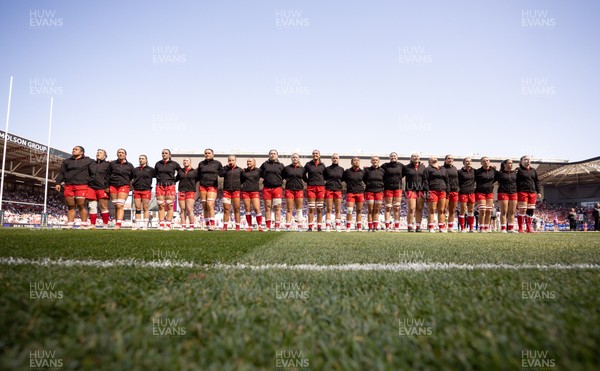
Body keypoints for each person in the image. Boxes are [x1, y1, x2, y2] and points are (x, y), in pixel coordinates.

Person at [54, 145, 93, 229]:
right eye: (73, 149)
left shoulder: (88, 160)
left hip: (82, 185)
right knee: (71, 206)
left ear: (81, 152)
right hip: (68, 185)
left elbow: (94, 170)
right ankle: (70, 224)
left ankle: (83, 224)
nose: (73, 150)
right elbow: (61, 172)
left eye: (76, 149)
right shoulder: (66, 161)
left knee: (81, 205)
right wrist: (58, 183)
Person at [107, 148, 134, 230]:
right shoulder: (112, 164)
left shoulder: (130, 166)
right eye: (119, 152)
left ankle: (118, 224)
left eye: (122, 152)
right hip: (113, 185)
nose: (120, 154)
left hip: (124, 186)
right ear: (117, 154)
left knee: (120, 205)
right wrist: (106, 186)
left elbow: (133, 177)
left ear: (125, 155)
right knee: (116, 206)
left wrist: (131, 186)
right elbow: (107, 175)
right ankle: (116, 222)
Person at [154, 149, 181, 230]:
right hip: (160, 186)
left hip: (170, 186)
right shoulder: (158, 164)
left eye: (166, 153)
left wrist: (174, 180)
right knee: (161, 205)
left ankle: (168, 224)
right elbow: (155, 174)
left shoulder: (174, 164)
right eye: (163, 153)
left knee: (170, 205)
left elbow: (180, 173)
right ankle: (161, 224)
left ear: (169, 155)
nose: (164, 154)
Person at [197, 149, 223, 231]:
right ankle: (207, 224)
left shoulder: (217, 163)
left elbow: (222, 173)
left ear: (213, 154)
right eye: (205, 153)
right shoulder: (201, 164)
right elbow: (197, 175)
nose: (207, 154)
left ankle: (213, 224)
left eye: (209, 153)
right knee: (204, 207)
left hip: (212, 186)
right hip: (202, 186)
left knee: (210, 204)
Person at [260, 149, 285, 231]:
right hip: (267, 188)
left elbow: (284, 175)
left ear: (277, 155)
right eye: (271, 153)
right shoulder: (264, 164)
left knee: (277, 207)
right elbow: (260, 173)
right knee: (267, 208)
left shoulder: (281, 165)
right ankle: (268, 226)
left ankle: (277, 226)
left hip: (277, 188)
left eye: (274, 153)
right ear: (269, 155)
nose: (273, 155)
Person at [515, 155, 542, 233]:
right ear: (521, 161)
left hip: (532, 193)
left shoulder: (533, 170)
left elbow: (537, 181)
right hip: (522, 192)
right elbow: (514, 181)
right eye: (525, 159)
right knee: (522, 210)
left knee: (530, 211)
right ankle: (520, 228)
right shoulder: (518, 170)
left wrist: (539, 191)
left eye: (529, 159)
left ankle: (529, 228)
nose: (528, 161)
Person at [87, 149, 110, 229]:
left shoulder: (107, 165)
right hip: (91, 187)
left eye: (100, 152)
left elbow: (109, 177)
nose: (98, 153)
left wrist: (107, 186)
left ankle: (105, 224)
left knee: (103, 206)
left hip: (102, 187)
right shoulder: (91, 164)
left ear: (105, 156)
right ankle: (92, 224)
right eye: (97, 152)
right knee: (92, 206)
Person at [424, 157, 448, 233]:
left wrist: (447, 191)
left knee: (442, 210)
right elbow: (425, 181)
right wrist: (427, 191)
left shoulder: (443, 169)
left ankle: (441, 227)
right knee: (432, 209)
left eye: (435, 157)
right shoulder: (428, 169)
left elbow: (447, 181)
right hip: (432, 191)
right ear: (429, 161)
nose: (434, 158)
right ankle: (431, 227)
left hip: (443, 191)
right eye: (432, 158)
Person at [403, 153, 426, 232]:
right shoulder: (406, 167)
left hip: (421, 190)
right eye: (414, 156)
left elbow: (425, 179)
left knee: (419, 208)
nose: (416, 157)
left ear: (419, 158)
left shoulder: (423, 167)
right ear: (411, 158)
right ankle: (409, 226)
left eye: (417, 156)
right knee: (412, 208)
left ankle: (418, 226)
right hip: (410, 190)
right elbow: (399, 176)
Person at [304, 149, 326, 231]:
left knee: (319, 208)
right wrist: (308, 181)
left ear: (319, 155)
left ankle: (319, 227)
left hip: (320, 188)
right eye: (313, 153)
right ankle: (310, 227)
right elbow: (303, 174)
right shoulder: (308, 164)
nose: (315, 154)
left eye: (316, 153)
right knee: (311, 208)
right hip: (311, 188)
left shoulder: (323, 165)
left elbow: (326, 176)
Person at [219, 155, 243, 231]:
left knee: (236, 209)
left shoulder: (239, 170)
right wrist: (226, 168)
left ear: (235, 161)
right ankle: (225, 226)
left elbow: (243, 179)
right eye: (229, 160)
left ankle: (237, 226)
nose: (231, 162)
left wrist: (237, 185)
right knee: (226, 209)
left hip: (236, 191)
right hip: (226, 191)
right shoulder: (225, 169)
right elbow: (220, 174)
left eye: (232, 160)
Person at [132, 154, 156, 230]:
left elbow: (158, 176)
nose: (141, 160)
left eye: (142, 158)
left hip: (146, 190)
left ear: (146, 160)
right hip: (137, 190)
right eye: (140, 158)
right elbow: (130, 178)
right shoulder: (135, 170)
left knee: (146, 208)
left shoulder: (151, 169)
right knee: (137, 207)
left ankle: (145, 225)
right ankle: (137, 225)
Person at [381, 152, 404, 232]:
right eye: (391, 156)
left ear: (397, 157)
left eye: (394, 156)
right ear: (389, 157)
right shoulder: (385, 166)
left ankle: (396, 227)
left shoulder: (401, 166)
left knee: (397, 208)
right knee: (388, 207)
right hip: (388, 188)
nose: (393, 157)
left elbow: (404, 174)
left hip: (398, 188)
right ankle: (387, 227)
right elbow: (379, 172)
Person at [283, 153, 305, 231]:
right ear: (291, 158)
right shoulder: (286, 168)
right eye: (293, 157)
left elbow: (305, 179)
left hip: (299, 190)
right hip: (289, 189)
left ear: (298, 159)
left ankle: (299, 226)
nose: (295, 158)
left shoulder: (302, 169)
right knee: (289, 209)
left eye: (296, 157)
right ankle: (288, 226)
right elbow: (282, 177)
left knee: (299, 209)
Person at [342, 157, 365, 231]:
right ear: (351, 162)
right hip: (350, 192)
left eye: (358, 160)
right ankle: (348, 227)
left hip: (360, 192)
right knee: (349, 210)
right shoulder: (347, 172)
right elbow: (343, 179)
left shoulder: (363, 172)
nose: (356, 162)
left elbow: (366, 181)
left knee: (359, 210)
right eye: (354, 160)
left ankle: (359, 227)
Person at [495, 159, 518, 233]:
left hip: (513, 193)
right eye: (509, 163)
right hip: (503, 193)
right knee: (504, 211)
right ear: (504, 164)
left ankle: (511, 228)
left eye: (511, 163)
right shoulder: (499, 173)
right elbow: (491, 180)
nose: (511, 165)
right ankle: (503, 228)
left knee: (512, 211)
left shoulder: (515, 173)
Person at [474, 156, 496, 233]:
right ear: (481, 163)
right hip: (480, 192)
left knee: (489, 211)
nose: (486, 162)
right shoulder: (477, 172)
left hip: (490, 192)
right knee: (482, 210)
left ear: (489, 162)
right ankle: (481, 227)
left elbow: (497, 178)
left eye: (487, 160)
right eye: (484, 161)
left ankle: (487, 227)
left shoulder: (493, 170)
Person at [324, 153, 344, 232]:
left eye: (336, 158)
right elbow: (325, 178)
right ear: (331, 159)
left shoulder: (341, 169)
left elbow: (342, 179)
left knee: (337, 209)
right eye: (334, 158)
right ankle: (328, 226)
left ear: (338, 159)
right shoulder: (327, 169)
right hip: (329, 189)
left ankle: (337, 226)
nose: (335, 159)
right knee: (329, 208)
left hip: (338, 190)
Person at [241, 158, 263, 231]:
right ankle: (249, 226)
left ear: (254, 163)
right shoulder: (243, 171)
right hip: (245, 192)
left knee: (257, 209)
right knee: (247, 209)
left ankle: (260, 225)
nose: (248, 162)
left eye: (250, 161)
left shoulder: (259, 171)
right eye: (247, 161)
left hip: (255, 192)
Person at [364, 156, 385, 232]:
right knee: (370, 210)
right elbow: (364, 180)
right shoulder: (367, 170)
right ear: (371, 161)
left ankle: (375, 227)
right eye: (373, 160)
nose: (375, 161)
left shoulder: (382, 170)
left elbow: (384, 180)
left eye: (376, 160)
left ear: (379, 161)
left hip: (379, 191)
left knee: (376, 210)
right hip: (369, 191)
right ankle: (370, 227)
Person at [176, 157, 198, 231]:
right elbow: (175, 180)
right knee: (182, 209)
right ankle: (183, 226)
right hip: (181, 191)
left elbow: (199, 179)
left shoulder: (194, 171)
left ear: (190, 162)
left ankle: (192, 226)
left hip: (191, 191)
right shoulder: (180, 171)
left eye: (186, 161)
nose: (185, 162)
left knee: (189, 209)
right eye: (184, 161)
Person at [458, 157, 476, 232]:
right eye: (467, 161)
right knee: (462, 210)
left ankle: (471, 228)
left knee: (471, 210)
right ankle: (462, 228)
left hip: (471, 193)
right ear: (464, 163)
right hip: (463, 193)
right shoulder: (459, 172)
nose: (468, 162)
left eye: (470, 161)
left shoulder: (475, 171)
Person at [442, 155, 459, 232]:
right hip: (445, 191)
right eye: (448, 158)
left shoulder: (455, 168)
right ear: (445, 160)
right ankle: (443, 226)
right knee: (443, 210)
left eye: (452, 158)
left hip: (454, 191)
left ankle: (450, 227)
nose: (450, 160)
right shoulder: (442, 168)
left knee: (452, 210)